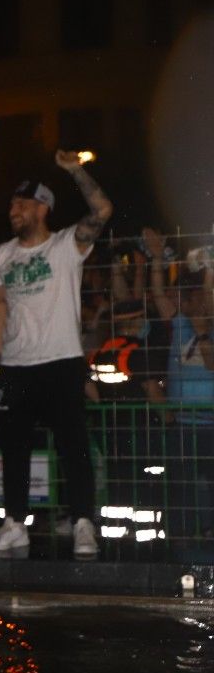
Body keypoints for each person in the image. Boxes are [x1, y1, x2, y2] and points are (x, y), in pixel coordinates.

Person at [0, 154, 113, 556]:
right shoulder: (1, 254)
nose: (13, 211)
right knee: (15, 448)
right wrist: (1, 354)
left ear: (43, 208)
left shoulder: (66, 244)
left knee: (73, 446)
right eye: (11, 205)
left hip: (61, 360)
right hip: (17, 366)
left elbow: (103, 210)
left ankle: (82, 523)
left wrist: (75, 169)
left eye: (21, 205)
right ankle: (15, 523)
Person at [146, 229, 214, 537]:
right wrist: (158, 260)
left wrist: (203, 333)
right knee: (181, 489)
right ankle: (181, 541)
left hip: (211, 423)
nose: (200, 301)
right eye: (195, 296)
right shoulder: (178, 322)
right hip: (184, 424)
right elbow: (159, 294)